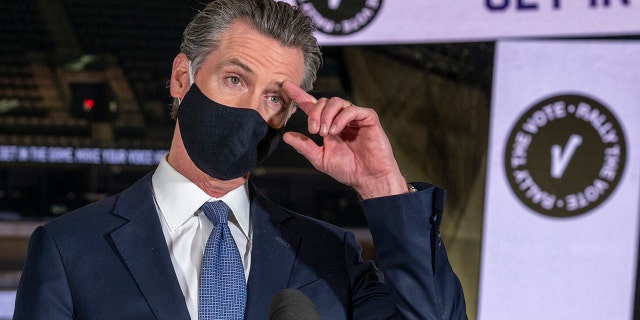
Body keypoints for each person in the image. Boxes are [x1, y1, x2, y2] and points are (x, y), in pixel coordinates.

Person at [13, 0, 467, 319]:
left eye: (274, 97)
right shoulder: (68, 249)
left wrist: (382, 184)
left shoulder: (330, 255)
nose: (252, 110)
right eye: (234, 79)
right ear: (180, 78)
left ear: (289, 113)